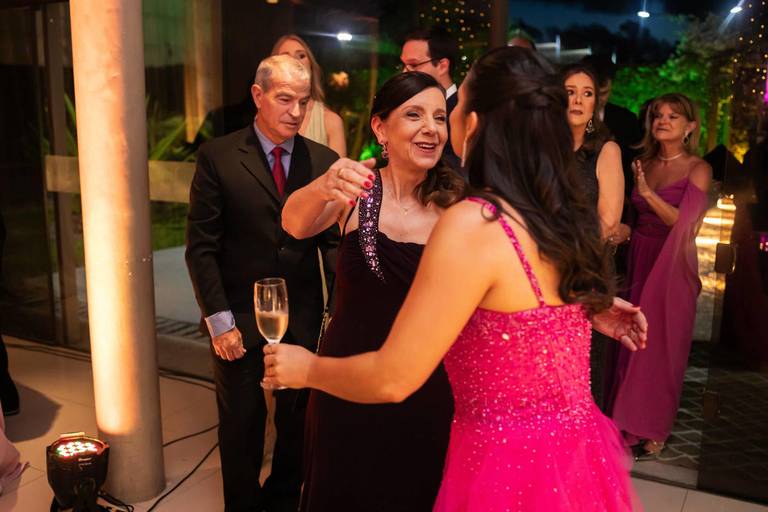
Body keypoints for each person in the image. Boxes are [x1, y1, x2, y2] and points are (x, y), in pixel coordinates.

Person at [264, 47, 646, 511]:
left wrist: (306, 369)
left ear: (473, 124)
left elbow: (394, 377)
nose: (436, 125)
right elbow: (525, 293)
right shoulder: (547, 211)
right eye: (415, 114)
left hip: (492, 451)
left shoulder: (469, 217)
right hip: (565, 458)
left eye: (451, 108)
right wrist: (580, 308)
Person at [281, 71, 462, 512]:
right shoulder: (357, 189)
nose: (431, 129)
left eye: (439, 118)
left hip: (424, 388)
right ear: (381, 128)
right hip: (342, 383)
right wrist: (323, 185)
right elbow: (293, 223)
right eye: (414, 115)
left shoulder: (456, 206)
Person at [185, 54, 339, 512]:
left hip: (301, 318)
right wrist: (219, 322)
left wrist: (334, 317)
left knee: (297, 430)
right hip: (237, 317)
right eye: (285, 99)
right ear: (258, 95)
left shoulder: (322, 161)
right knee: (241, 427)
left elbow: (333, 247)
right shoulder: (218, 156)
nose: (296, 111)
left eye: (303, 102)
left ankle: (282, 503)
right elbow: (201, 247)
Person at [605, 93, 712, 460]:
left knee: (662, 348)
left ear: (690, 127)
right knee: (628, 342)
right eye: (658, 116)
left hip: (673, 264)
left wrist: (648, 194)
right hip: (639, 257)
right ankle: (620, 422)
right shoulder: (642, 163)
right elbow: (633, 219)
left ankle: (653, 428)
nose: (663, 121)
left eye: (673, 116)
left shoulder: (699, 168)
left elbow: (686, 226)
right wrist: (622, 232)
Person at [562, 64, 627, 409]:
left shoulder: (606, 149)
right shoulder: (539, 149)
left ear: (594, 104)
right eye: (570, 92)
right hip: (535, 275)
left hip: (585, 274)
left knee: (579, 376)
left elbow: (609, 222)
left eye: (586, 93)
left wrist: (566, 264)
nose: (578, 100)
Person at [272, 34, 347, 157]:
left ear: (311, 66)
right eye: (286, 57)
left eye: (301, 56)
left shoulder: (331, 122)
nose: (295, 62)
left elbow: (339, 169)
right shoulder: (265, 118)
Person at [580, 55, 642, 197]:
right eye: (590, 93)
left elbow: (634, 162)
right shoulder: (562, 118)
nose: (597, 100)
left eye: (603, 93)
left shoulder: (626, 120)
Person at [401, 27, 461, 169]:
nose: (404, 72)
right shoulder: (405, 106)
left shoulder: (460, 111)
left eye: (413, 65)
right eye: (403, 65)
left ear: (442, 66)